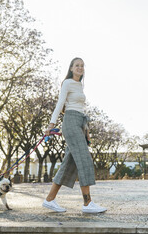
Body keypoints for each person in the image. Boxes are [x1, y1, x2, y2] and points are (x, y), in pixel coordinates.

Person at [42, 57, 107, 214]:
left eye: (82, 65)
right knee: (84, 160)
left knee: (69, 164)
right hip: (70, 122)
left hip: (79, 123)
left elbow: (81, 110)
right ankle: (87, 203)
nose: (80, 67)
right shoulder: (67, 83)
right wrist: (51, 124)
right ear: (71, 68)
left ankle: (49, 200)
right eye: (77, 65)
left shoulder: (79, 85)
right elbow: (60, 103)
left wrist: (86, 130)